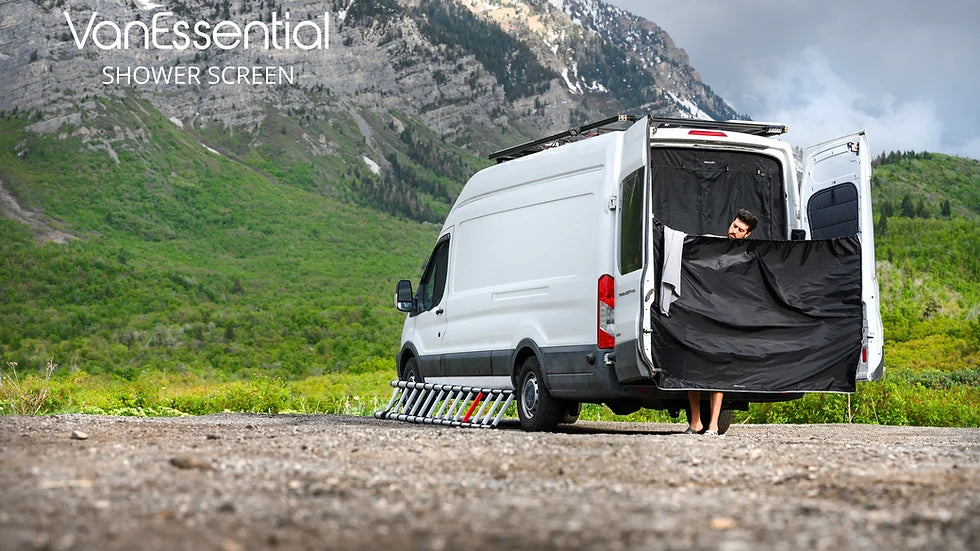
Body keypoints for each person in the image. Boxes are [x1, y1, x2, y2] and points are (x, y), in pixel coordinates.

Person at [686, 208, 758, 436]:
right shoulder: (712, 245)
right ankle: (695, 422)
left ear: (747, 235)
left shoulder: (746, 255)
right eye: (734, 226)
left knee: (718, 372)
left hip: (726, 318)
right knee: (694, 368)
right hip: (702, 313)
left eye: (740, 230)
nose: (734, 231)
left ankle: (714, 425)